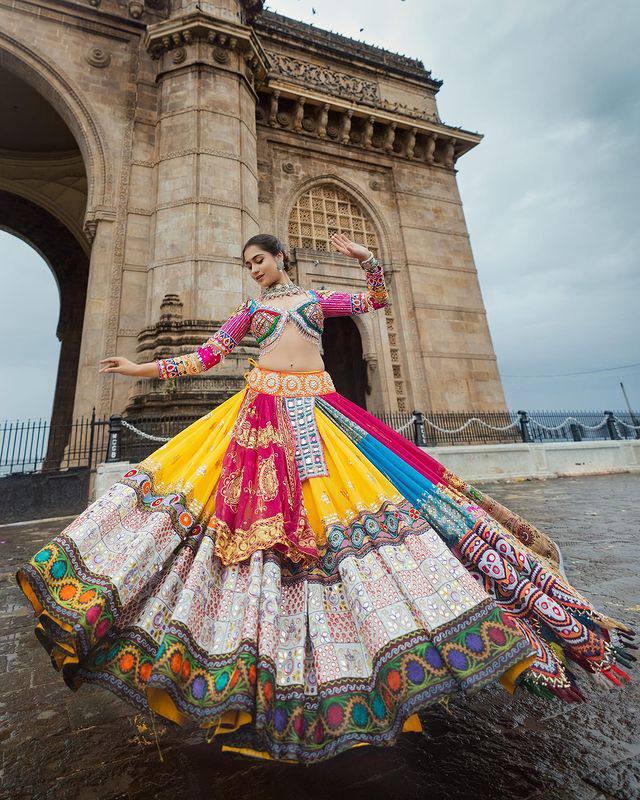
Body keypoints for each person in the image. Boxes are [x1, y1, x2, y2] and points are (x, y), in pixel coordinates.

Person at [16, 232, 634, 765]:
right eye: (247, 265)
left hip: (318, 419)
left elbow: (377, 300)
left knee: (343, 525)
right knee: (238, 532)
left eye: (260, 260)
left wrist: (370, 261)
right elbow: (204, 359)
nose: (254, 269)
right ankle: (256, 670)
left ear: (282, 258)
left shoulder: (314, 301)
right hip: (257, 423)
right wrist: (139, 371)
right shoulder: (250, 313)